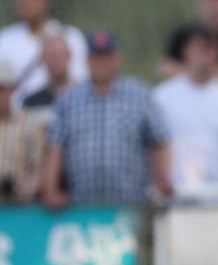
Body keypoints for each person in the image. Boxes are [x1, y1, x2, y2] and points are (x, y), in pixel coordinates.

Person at [44, 31, 172, 207]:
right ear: (87, 60)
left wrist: (162, 179)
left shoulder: (140, 95)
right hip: (81, 208)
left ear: (118, 59)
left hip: (131, 206)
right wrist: (51, 191)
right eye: (97, 57)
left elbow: (160, 141)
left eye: (107, 57)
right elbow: (55, 147)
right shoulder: (69, 100)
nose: (102, 63)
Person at [154, 25, 218, 191]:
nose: (204, 56)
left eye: (210, 49)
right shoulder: (161, 97)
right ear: (185, 51)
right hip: (176, 197)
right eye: (198, 48)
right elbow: (154, 148)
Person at [0, 0, 88, 108]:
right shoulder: (6, 39)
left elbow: (82, 77)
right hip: (21, 115)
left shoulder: (70, 35)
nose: (25, 3)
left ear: (46, 0)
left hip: (68, 108)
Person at [0, 62, 45, 203]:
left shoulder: (30, 124)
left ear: (12, 89)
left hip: (19, 209)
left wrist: (23, 191)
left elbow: (39, 169)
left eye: (1, 88)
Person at [22, 35, 73, 127]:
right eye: (51, 56)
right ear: (43, 60)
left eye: (59, 55)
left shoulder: (85, 97)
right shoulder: (31, 102)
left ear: (69, 57)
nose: (55, 61)